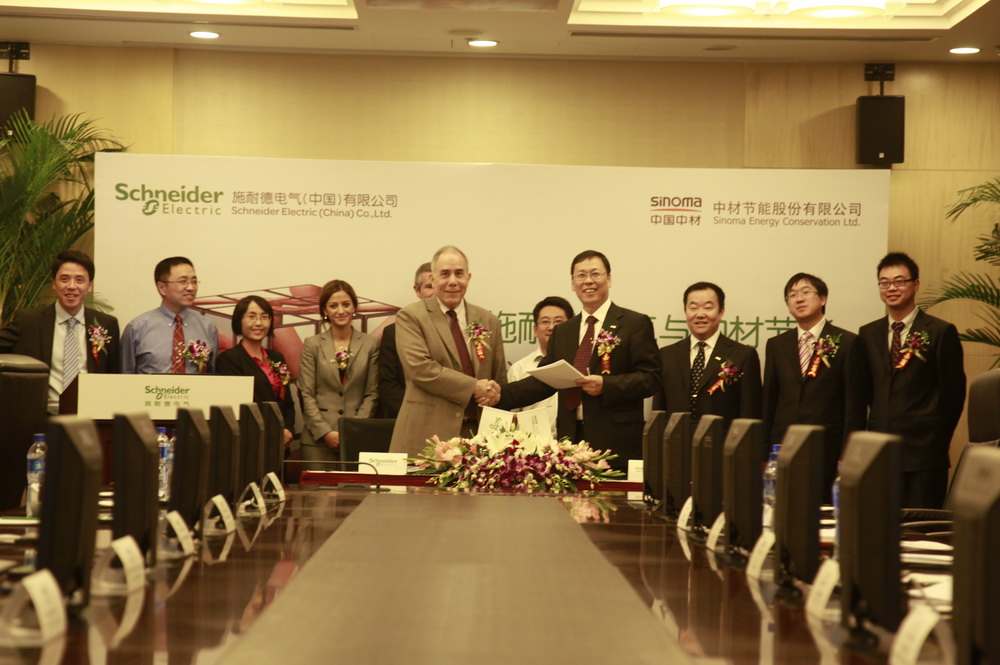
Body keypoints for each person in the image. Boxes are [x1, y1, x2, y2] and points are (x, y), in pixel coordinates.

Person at [498, 250, 660, 470]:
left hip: (616, 440)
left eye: (595, 274)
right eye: (581, 275)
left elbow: (651, 378)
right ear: (573, 284)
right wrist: (499, 394)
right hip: (570, 440)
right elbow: (543, 381)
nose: (588, 281)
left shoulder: (634, 323)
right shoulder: (563, 331)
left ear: (609, 279)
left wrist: (606, 385)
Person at [848, 252, 966, 509]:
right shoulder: (868, 334)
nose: (891, 288)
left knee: (921, 526)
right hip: (879, 452)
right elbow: (861, 394)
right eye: (884, 282)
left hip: (923, 455)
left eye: (899, 281)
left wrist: (937, 440)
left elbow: (953, 395)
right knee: (878, 523)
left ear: (915, 284)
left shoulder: (940, 331)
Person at [388, 246, 506, 457]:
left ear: (468, 278)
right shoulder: (411, 316)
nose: (453, 281)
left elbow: (498, 376)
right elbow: (421, 369)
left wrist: (494, 392)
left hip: (478, 437)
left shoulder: (488, 320)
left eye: (459, 273)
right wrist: (474, 387)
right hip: (427, 435)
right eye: (445, 274)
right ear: (432, 279)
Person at [762, 273, 857, 500]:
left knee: (823, 513)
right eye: (792, 295)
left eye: (805, 292)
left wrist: (846, 454)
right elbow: (769, 403)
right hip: (784, 449)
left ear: (823, 299)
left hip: (827, 449)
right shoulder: (776, 345)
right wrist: (765, 452)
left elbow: (853, 405)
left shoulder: (847, 342)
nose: (799, 299)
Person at [0, 250, 120, 413]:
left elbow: (113, 375)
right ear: (54, 283)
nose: (71, 286)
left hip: (88, 417)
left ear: (89, 286)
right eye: (64, 279)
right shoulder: (27, 321)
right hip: (38, 416)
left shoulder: (107, 324)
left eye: (79, 280)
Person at [655, 281, 761, 426]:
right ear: (686, 311)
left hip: (722, 438)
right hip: (676, 438)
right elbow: (659, 412)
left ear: (721, 311)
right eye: (693, 308)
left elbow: (749, 413)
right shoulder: (666, 355)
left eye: (708, 307)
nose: (700, 314)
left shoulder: (743, 355)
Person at [298, 279, 379, 466]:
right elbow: (306, 393)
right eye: (333, 306)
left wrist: (351, 430)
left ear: (354, 307)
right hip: (317, 440)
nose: (341, 311)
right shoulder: (312, 344)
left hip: (357, 437)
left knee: (354, 486)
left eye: (346, 304)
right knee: (316, 487)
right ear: (325, 310)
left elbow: (372, 393)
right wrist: (325, 432)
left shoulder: (370, 344)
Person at [216, 296, 295, 446]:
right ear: (239, 321)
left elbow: (288, 403)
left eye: (264, 317)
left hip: (280, 443)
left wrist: (288, 429)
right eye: (251, 317)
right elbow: (238, 407)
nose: (258, 323)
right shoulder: (229, 359)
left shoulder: (277, 358)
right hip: (248, 442)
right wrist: (274, 432)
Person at [120, 256, 219, 374]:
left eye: (194, 281)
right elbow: (125, 375)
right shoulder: (138, 327)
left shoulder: (207, 327)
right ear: (162, 288)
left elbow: (213, 375)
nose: (191, 287)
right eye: (183, 281)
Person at [506, 296, 574, 437]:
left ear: (571, 327)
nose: (551, 327)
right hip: (532, 446)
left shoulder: (580, 365)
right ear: (535, 329)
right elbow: (510, 418)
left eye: (558, 321)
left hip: (574, 444)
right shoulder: (519, 369)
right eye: (545, 322)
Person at [377, 262, 433, 418]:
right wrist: (414, 413)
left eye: (438, 287)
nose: (435, 293)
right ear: (417, 290)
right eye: (429, 287)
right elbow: (388, 384)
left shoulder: (457, 331)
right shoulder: (393, 333)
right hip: (407, 417)